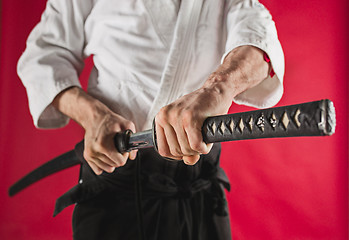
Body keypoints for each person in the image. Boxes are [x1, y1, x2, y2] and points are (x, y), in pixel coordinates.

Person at [17, 0, 284, 239]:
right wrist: (94, 116)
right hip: (116, 181)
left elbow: (258, 38)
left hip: (199, 188)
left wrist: (217, 89)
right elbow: (44, 56)